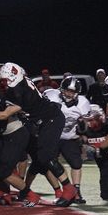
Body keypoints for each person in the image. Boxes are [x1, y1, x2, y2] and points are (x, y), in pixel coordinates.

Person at [0, 62, 78, 206]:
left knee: (45, 156)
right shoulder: (21, 82)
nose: (4, 84)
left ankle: (68, 189)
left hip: (50, 120)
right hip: (41, 121)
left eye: (6, 81)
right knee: (37, 157)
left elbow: (5, 114)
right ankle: (57, 190)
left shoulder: (19, 91)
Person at [42, 76, 91, 204]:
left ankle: (76, 191)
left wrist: (83, 128)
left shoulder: (83, 103)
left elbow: (85, 125)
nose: (69, 94)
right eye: (67, 90)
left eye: (72, 92)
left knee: (76, 163)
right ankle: (59, 191)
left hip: (69, 137)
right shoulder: (51, 95)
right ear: (61, 89)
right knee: (49, 163)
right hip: (52, 136)